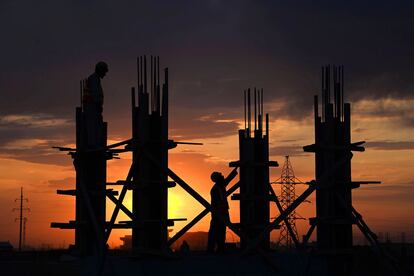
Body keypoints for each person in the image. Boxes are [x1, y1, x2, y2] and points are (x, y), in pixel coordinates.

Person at [207, 168, 238, 253]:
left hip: (221, 212)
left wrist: (236, 169)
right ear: (218, 179)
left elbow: (228, 179)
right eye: (221, 176)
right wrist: (222, 214)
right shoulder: (216, 189)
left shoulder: (219, 186)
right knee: (217, 231)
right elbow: (217, 203)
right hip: (219, 213)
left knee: (220, 230)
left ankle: (219, 248)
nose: (223, 176)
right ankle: (215, 248)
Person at [83, 61, 108, 148]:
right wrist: (98, 106)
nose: (105, 74)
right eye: (104, 71)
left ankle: (94, 143)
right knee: (93, 126)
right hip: (91, 107)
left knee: (95, 125)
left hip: (92, 106)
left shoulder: (95, 79)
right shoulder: (94, 79)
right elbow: (95, 95)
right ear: (100, 70)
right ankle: (93, 144)